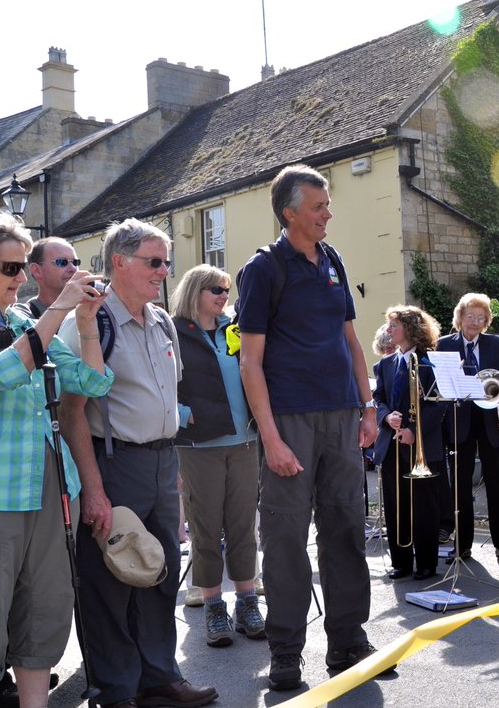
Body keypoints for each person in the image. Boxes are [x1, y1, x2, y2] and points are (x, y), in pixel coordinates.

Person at [58, 218, 219, 707]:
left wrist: (168, 470)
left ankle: (158, 677)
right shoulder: (88, 320)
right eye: (154, 261)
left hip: (159, 462)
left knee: (160, 572)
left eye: (166, 262)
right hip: (113, 463)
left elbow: (166, 401)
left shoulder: (162, 320)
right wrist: (94, 488)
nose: (164, 271)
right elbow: (71, 413)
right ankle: (115, 688)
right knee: (109, 581)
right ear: (119, 263)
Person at [236, 164, 379, 691]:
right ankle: (286, 653)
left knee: (345, 530)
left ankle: (347, 642)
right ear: (289, 212)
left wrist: (368, 406)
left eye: (327, 204)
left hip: (342, 416)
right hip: (289, 421)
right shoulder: (263, 270)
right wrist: (270, 438)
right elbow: (250, 363)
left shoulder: (333, 259)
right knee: (286, 538)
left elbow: (352, 340)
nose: (328, 213)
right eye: (318, 207)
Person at [0, 214, 112, 708]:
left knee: (44, 613)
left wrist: (85, 323)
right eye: (10, 268)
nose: (20, 278)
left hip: (48, 491)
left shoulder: (21, 323)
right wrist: (57, 308)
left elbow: (94, 383)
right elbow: (6, 370)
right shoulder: (21, 329)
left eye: (21, 267)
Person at [170, 265, 264, 648]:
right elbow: (159, 383)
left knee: (244, 529)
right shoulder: (172, 331)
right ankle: (212, 607)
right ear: (194, 290)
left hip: (244, 444)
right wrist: (183, 416)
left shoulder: (234, 330)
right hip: (198, 447)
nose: (223, 295)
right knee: (206, 533)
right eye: (215, 288)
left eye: (226, 288)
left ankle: (247, 603)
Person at [436, 293, 499, 564]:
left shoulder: (497, 344)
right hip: (458, 424)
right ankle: (462, 546)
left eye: (480, 318)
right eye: (469, 316)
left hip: (493, 423)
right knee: (460, 488)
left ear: (486, 321)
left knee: (497, 487)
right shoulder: (442, 345)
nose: (474, 322)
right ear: (459, 318)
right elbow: (436, 386)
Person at [372, 305, 448, 580]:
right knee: (395, 505)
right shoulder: (384, 364)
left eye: (394, 325)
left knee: (424, 506)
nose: (389, 330)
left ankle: (427, 563)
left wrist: (414, 430)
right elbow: (378, 399)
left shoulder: (431, 361)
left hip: (422, 445)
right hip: (391, 444)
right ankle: (401, 561)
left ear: (410, 328)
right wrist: (386, 416)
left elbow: (439, 404)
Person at [15, 236, 80, 318]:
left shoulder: (90, 306)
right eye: (61, 262)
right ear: (37, 271)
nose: (73, 269)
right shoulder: (23, 314)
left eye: (75, 262)